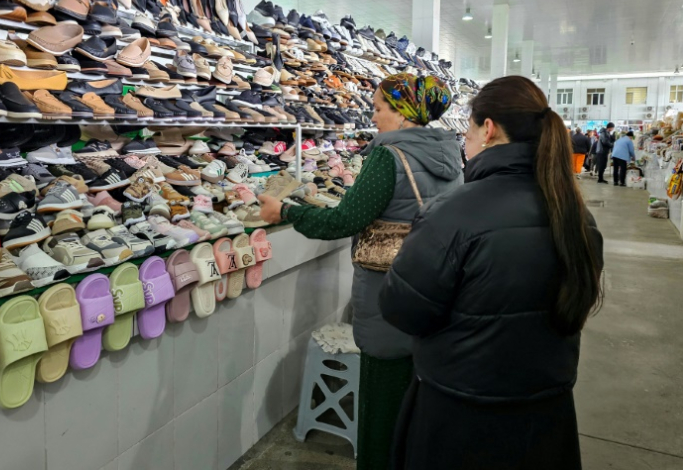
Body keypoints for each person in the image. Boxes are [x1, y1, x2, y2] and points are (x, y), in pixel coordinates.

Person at [379, 75, 604, 470]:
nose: (464, 140)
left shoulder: (452, 213)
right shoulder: (575, 214)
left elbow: (404, 311)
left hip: (462, 412)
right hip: (547, 412)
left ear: (488, 129)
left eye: (467, 129)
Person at [258, 73, 463, 470]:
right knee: (418, 411)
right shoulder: (450, 156)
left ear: (403, 114)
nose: (375, 117)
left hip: (392, 299)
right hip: (435, 296)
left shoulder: (389, 156)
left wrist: (283, 211)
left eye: (379, 108)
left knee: (382, 414)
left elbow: (344, 222)